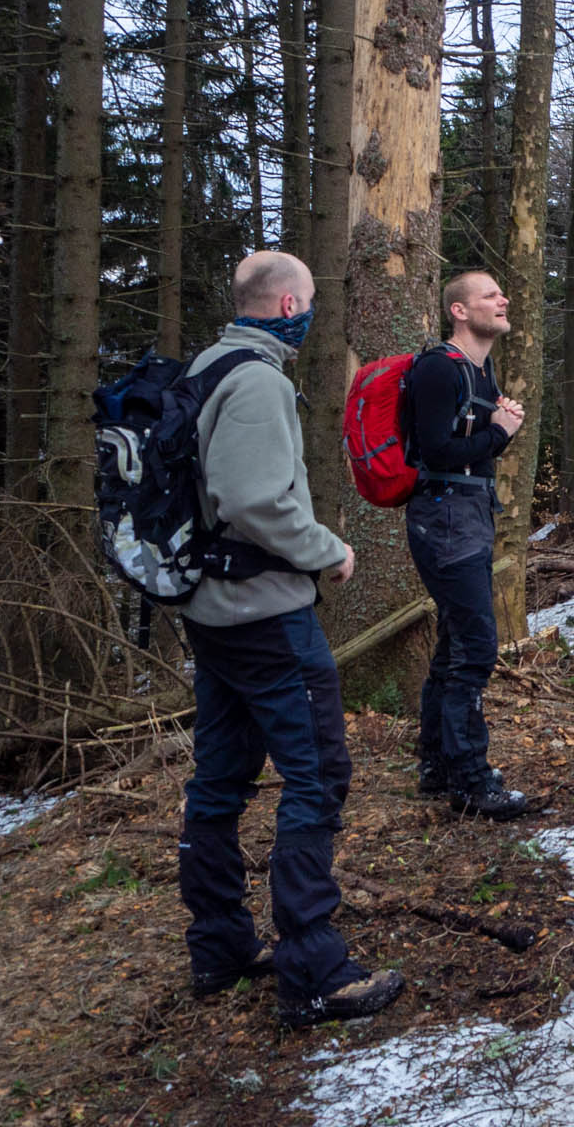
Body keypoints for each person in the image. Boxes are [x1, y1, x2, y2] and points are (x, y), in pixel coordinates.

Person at [178, 251, 405, 1027]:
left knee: (221, 778)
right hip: (265, 614)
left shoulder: (204, 369)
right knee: (317, 774)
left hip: (214, 613)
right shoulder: (258, 381)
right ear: (285, 307)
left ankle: (220, 947)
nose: (308, 318)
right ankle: (312, 967)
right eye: (305, 304)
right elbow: (251, 500)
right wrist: (327, 550)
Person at [403, 270, 528, 821]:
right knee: (476, 649)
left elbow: (468, 446)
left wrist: (497, 428)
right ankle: (471, 781)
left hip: (468, 514)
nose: (503, 301)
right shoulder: (437, 368)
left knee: (455, 645)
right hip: (445, 518)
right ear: (459, 311)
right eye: (489, 296)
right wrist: (499, 432)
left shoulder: (483, 369)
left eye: (501, 294)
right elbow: (433, 449)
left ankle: (438, 765)